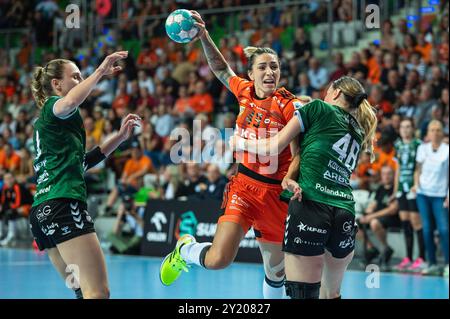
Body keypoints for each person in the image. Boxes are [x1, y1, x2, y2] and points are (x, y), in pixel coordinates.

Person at [160, 10, 307, 299]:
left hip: (277, 195)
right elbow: (220, 69)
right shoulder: (244, 91)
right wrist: (204, 35)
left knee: (276, 273)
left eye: (274, 67)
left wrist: (290, 178)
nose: (270, 73)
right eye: (263, 67)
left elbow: (296, 152)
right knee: (218, 260)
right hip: (244, 187)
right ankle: (186, 249)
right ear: (251, 74)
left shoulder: (289, 105)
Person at [231, 76, 377, 299]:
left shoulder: (318, 107)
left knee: (302, 293)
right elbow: (310, 154)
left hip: (311, 205)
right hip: (345, 212)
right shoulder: (357, 130)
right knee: (332, 294)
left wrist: (240, 143)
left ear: (336, 93)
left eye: (328, 91)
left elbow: (275, 145)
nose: (325, 95)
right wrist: (289, 176)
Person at [29, 52, 141, 299]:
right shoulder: (53, 108)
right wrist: (100, 71)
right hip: (63, 205)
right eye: (75, 76)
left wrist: (120, 137)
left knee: (82, 291)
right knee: (97, 292)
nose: (81, 81)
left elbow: (85, 161)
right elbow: (69, 103)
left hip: (43, 214)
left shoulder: (58, 126)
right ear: (56, 84)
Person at [413, 120, 449, 277]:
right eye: (432, 130)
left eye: (438, 130)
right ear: (428, 133)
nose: (435, 132)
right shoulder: (422, 148)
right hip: (423, 194)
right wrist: (416, 184)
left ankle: (447, 264)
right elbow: (417, 170)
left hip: (440, 195)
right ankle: (432, 263)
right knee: (426, 230)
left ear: (442, 133)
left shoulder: (447, 150)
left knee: (444, 229)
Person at [392, 118, 426, 272]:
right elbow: (398, 168)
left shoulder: (419, 145)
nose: (405, 130)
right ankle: (408, 258)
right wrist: (395, 190)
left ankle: (422, 258)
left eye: (408, 127)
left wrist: (417, 184)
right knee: (405, 222)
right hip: (401, 188)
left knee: (416, 222)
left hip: (413, 187)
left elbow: (421, 167)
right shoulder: (398, 145)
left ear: (413, 129)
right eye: (402, 127)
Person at [358, 165, 400, 269]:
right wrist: (368, 211)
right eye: (384, 174)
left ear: (394, 175)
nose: (386, 176)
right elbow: (374, 203)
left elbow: (392, 209)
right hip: (377, 216)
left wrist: (371, 216)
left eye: (389, 174)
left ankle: (385, 248)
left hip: (392, 218)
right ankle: (371, 248)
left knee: (374, 222)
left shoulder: (395, 189)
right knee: (354, 224)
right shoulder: (380, 188)